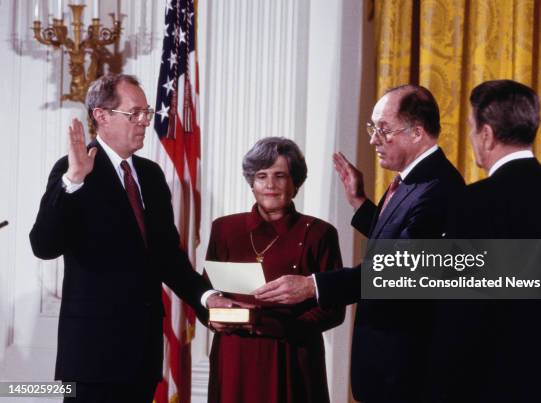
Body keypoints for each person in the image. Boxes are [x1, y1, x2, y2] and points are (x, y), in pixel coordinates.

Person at [255, 85, 465, 402]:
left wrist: (313, 286)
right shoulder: (413, 181)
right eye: (372, 128)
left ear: (417, 132)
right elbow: (398, 241)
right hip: (387, 365)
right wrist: (360, 203)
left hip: (408, 370)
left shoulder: (438, 187)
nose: (373, 140)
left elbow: (397, 272)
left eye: (383, 129)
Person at [29, 74, 212, 403]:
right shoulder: (73, 170)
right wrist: (73, 181)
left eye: (147, 112)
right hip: (92, 360)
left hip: (141, 356)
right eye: (134, 113)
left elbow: (168, 259)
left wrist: (208, 298)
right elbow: (43, 245)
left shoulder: (152, 176)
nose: (144, 122)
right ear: (102, 116)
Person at [435, 79, 541, 403]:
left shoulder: (472, 203)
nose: (471, 137)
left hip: (480, 390)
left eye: (471, 127)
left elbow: (457, 318)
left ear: (486, 133)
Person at [203, 137, 345, 403]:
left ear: (295, 182)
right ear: (251, 182)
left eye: (280, 176)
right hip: (234, 358)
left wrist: (282, 328)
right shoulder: (224, 229)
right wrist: (212, 316)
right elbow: (205, 293)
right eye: (261, 176)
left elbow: (334, 310)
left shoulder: (320, 233)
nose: (270, 185)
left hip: (291, 356)